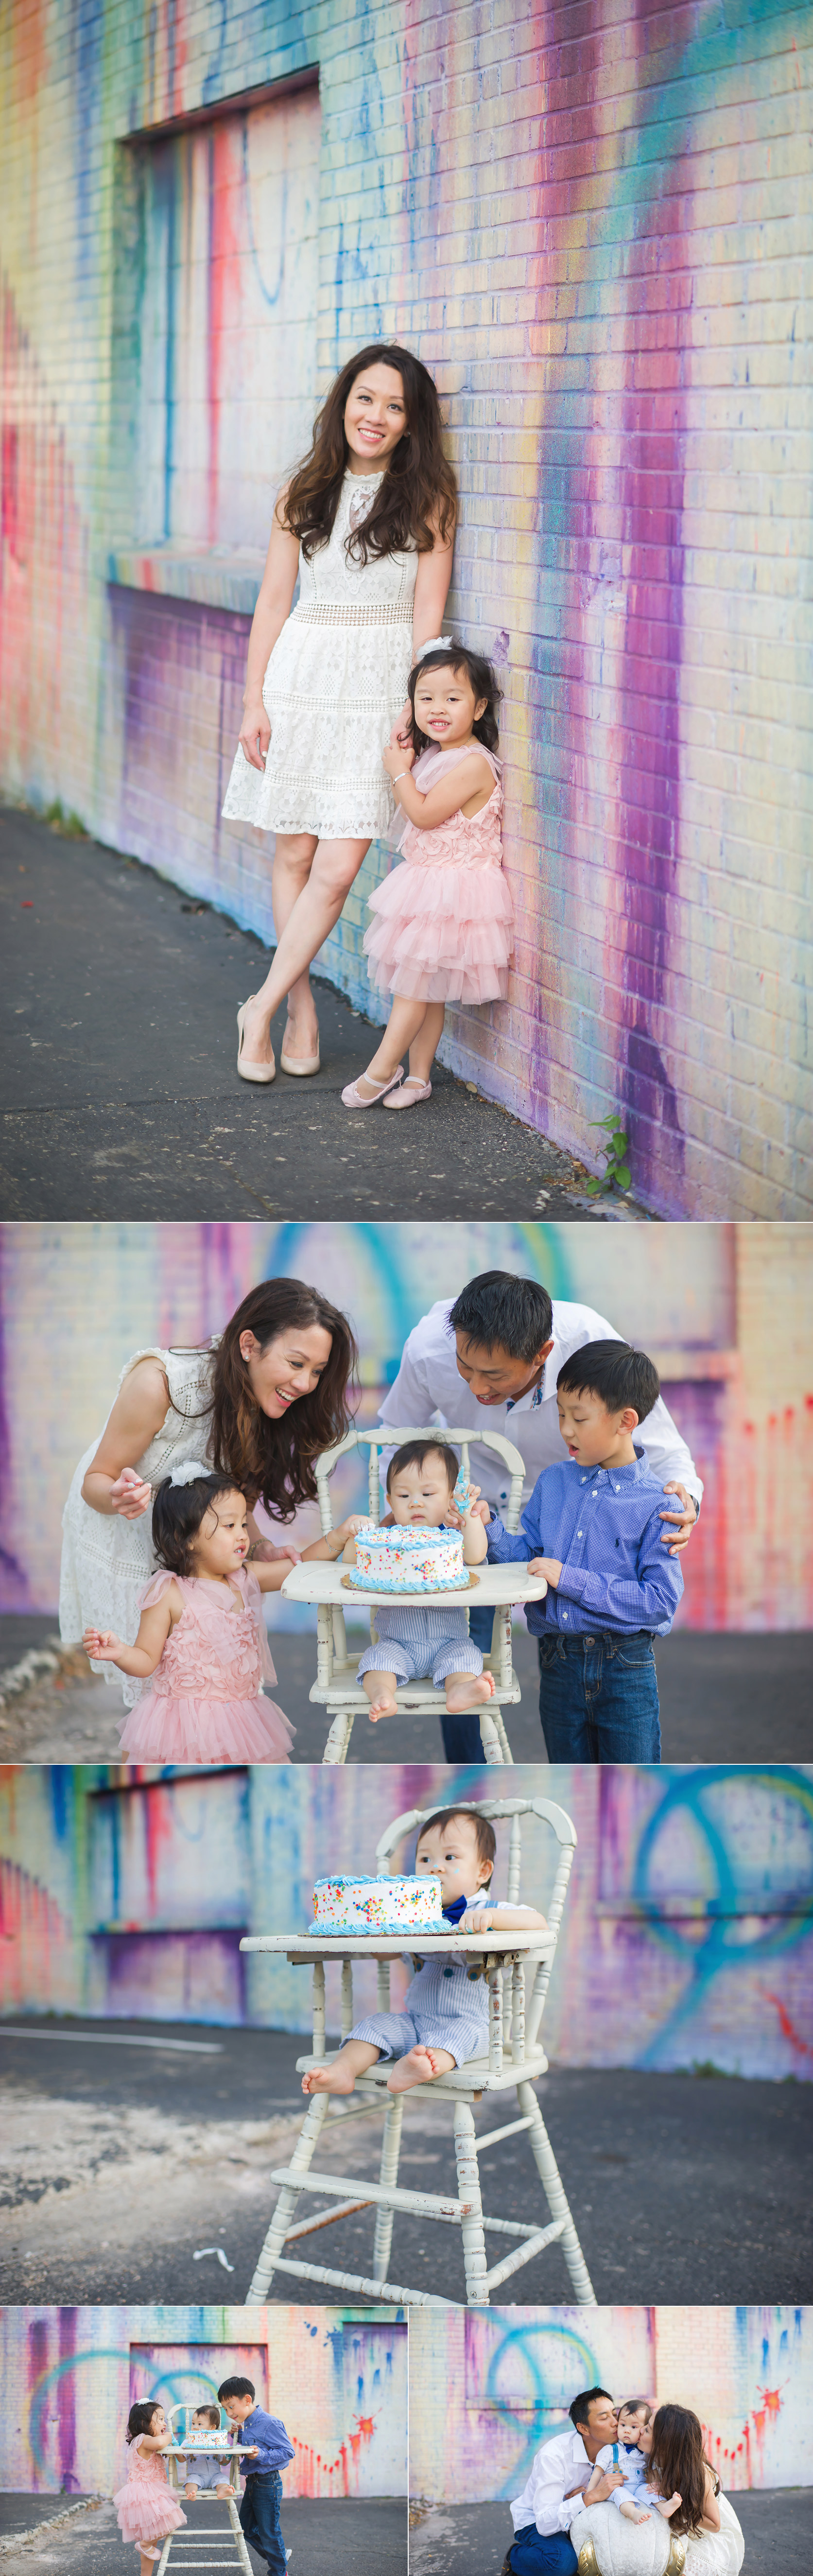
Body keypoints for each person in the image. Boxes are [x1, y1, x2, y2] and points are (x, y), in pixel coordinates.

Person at [221, 343, 456, 1083]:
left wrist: (415, 712)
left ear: (412, 424)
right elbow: (271, 601)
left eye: (395, 406)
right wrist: (255, 698)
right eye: (366, 398)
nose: (377, 416)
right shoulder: (303, 491)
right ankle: (298, 1010)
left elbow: (428, 618)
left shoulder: (428, 500)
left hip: (378, 690)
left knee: (340, 862)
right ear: (343, 402)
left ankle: (256, 1006)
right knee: (292, 853)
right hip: (300, 678)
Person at [378, 1270, 703, 1760]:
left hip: (575, 1495)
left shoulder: (591, 1345)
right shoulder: (429, 1348)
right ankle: (471, 1770)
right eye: (466, 1367)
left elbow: (661, 1445)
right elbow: (394, 1433)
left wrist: (686, 1503)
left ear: (543, 1353)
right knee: (460, 1645)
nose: (476, 1386)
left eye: (494, 1375)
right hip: (482, 1503)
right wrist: (408, 1517)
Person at [60, 1277, 357, 1704]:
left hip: (192, 1539)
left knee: (200, 1683)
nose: (307, 1384)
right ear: (249, 1345)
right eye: (296, 1364)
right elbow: (97, 1480)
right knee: (156, 1688)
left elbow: (234, 1503)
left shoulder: (270, 1405)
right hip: (122, 1527)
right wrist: (117, 1497)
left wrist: (259, 1546)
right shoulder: (162, 1383)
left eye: (318, 1371)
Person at [483, 1342, 685, 1761]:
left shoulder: (658, 1503)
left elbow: (659, 1602)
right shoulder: (554, 1483)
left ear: (625, 1421)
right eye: (560, 1415)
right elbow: (530, 1560)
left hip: (624, 1668)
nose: (566, 1430)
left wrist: (569, 1579)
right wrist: (489, 1528)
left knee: (631, 1788)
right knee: (568, 1782)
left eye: (578, 1418)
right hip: (557, 1662)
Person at [82, 1465, 363, 1763]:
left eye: (244, 1524)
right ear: (186, 1537)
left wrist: (339, 1535)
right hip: (181, 1729)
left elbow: (302, 1566)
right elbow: (146, 1660)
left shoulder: (245, 1578)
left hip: (242, 1723)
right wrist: (120, 1651)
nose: (243, 1535)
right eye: (230, 1526)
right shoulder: (168, 1593)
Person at [341, 639, 512, 1111]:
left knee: (412, 987)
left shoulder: (473, 763)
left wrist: (398, 771)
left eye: (452, 699)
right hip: (429, 882)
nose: (437, 708)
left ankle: (382, 1071)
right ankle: (418, 1078)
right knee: (426, 990)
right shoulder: (438, 751)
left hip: (453, 889)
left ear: (478, 707)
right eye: (425, 698)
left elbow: (421, 813)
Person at [301, 1806, 546, 2098]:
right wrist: (379, 1932)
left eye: (450, 1858)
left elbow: (539, 1924)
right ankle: (343, 2070)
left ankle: (424, 2065)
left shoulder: (489, 1912)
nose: (435, 1867)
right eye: (425, 1858)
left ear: (483, 1871)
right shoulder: (413, 1918)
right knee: (376, 2025)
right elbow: (384, 1955)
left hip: (475, 2028)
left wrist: (494, 1922)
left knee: (459, 2037)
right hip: (416, 2023)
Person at [344, 1438, 495, 1727]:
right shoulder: (386, 1541)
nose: (415, 1502)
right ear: (390, 1501)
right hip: (396, 1644)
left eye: (427, 1493)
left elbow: (475, 1556)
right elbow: (353, 1562)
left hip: (449, 1642)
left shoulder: (451, 1540)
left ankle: (460, 1689)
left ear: (450, 1496)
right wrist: (355, 1534)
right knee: (377, 1661)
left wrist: (469, 1512)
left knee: (466, 1657)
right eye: (403, 1496)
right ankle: (383, 1695)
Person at [570, 2403, 744, 2574]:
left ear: (662, 2443)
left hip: (704, 2536)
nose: (641, 2430)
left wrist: (671, 2500)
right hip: (680, 2529)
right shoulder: (650, 2459)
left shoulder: (699, 2474)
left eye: (647, 2429)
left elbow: (715, 2525)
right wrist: (590, 2492)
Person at [505, 2388, 626, 2574]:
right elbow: (545, 2524)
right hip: (534, 2520)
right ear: (583, 2428)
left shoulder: (619, 2447)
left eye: (615, 2414)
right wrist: (590, 2497)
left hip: (577, 2516)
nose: (615, 2423)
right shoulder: (554, 2456)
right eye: (604, 2418)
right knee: (561, 2562)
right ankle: (515, 2558)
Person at [217, 2374, 294, 2576]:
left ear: (247, 2400)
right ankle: (279, 2555)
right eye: (225, 2409)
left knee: (269, 2532)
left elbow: (288, 2452)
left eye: (231, 2407)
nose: (229, 2412)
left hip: (268, 2483)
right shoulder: (248, 2424)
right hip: (252, 2482)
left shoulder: (269, 2423)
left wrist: (261, 2454)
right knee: (246, 2529)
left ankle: (279, 2571)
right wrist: (239, 2435)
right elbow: (252, 2446)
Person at [113, 2401, 187, 2574]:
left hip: (153, 2491)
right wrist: (170, 2436)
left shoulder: (152, 2441)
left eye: (164, 2419)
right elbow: (161, 2444)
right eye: (159, 2419)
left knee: (151, 2539)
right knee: (171, 2520)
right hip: (145, 2492)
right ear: (144, 2423)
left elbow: (179, 2457)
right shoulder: (143, 2439)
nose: (164, 2423)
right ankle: (145, 2545)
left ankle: (145, 2570)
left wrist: (174, 2445)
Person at [585, 2402, 679, 2524]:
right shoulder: (610, 2450)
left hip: (638, 2487)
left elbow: (652, 2471)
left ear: (643, 2430)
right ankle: (633, 2513)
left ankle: (664, 2507)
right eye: (623, 2425)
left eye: (634, 2428)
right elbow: (598, 2471)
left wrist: (656, 2485)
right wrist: (590, 2493)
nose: (627, 2431)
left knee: (648, 2490)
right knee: (620, 2493)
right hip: (616, 2487)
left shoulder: (646, 2453)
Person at [180, 2404, 234, 2501]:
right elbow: (181, 2459)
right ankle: (192, 2492)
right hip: (197, 2476)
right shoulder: (188, 2441)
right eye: (193, 2423)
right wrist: (177, 2451)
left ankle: (222, 2490)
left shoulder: (217, 2443)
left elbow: (224, 2463)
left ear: (213, 2428)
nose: (195, 2427)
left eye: (200, 2424)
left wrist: (229, 2455)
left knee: (223, 2479)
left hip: (215, 2476)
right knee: (190, 2481)